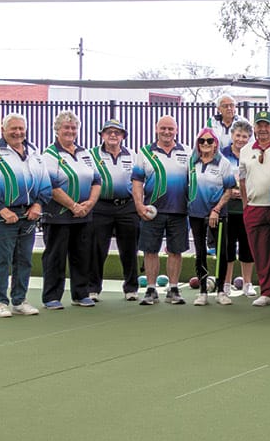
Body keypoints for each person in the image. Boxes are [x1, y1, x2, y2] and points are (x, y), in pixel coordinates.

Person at [0, 112, 49, 317]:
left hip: (29, 214)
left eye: (21, 128)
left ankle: (19, 300)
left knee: (24, 258)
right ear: (3, 130)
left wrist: (38, 205)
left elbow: (44, 183)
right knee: (3, 259)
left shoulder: (34, 152)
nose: (18, 132)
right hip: (4, 215)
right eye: (13, 128)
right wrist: (2, 209)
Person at [41, 110, 101, 309]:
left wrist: (89, 204)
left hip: (84, 215)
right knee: (55, 256)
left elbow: (96, 180)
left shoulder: (85, 153)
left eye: (73, 127)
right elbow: (51, 185)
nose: (70, 131)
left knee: (82, 255)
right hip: (58, 216)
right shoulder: (49, 154)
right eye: (66, 127)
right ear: (57, 129)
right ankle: (51, 297)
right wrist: (73, 206)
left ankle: (81, 294)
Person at [132, 115, 192, 306]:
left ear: (176, 130)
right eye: (163, 128)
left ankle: (173, 288)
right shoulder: (145, 153)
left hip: (179, 211)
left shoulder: (187, 152)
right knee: (150, 250)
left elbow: (195, 181)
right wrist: (139, 206)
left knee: (176, 251)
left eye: (170, 129)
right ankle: (151, 289)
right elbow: (137, 183)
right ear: (156, 129)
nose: (167, 132)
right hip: (152, 211)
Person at [87, 119, 141, 302]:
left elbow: (139, 182)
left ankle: (131, 288)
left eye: (117, 132)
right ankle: (93, 288)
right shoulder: (91, 154)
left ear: (123, 136)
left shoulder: (132, 155)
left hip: (127, 206)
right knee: (96, 249)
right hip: (101, 206)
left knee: (129, 249)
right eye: (109, 132)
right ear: (102, 135)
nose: (113, 135)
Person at [239, 110, 270, 307]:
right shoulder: (245, 150)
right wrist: (245, 204)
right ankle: (266, 292)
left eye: (266, 125)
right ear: (255, 128)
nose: (263, 129)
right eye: (259, 125)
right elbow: (242, 181)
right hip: (255, 207)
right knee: (261, 252)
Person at [186, 127, 238, 305]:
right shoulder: (191, 163)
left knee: (221, 252)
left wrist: (216, 210)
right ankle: (202, 291)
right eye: (202, 141)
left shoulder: (223, 163)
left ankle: (221, 290)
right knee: (200, 252)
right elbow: (187, 186)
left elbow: (229, 190)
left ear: (215, 143)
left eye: (210, 141)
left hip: (218, 214)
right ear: (198, 144)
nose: (206, 144)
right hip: (196, 214)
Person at [217, 118, 256, 296]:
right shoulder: (222, 155)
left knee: (247, 247)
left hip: (247, 209)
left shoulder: (253, 154)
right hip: (227, 209)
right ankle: (226, 283)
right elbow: (217, 179)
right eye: (238, 135)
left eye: (245, 136)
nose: (241, 139)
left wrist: (246, 191)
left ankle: (247, 283)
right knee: (228, 247)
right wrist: (229, 191)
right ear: (232, 135)